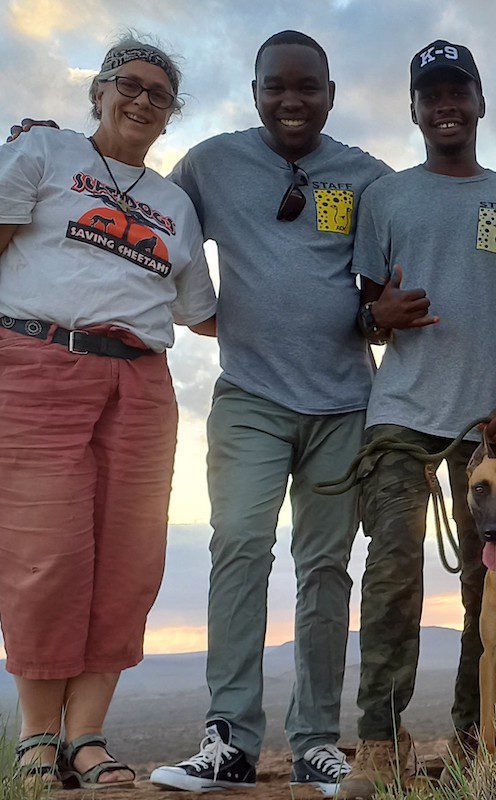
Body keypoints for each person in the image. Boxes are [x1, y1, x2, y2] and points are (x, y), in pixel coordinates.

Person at [145, 31, 392, 794]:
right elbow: (152, 214)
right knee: (240, 546)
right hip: (250, 396)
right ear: (254, 92)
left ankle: (316, 740)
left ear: (330, 94)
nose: (292, 100)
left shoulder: (368, 176)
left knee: (326, 567)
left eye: (307, 87)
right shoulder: (212, 163)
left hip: (344, 404)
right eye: (275, 86)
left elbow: (401, 262)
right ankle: (229, 739)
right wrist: (64, 155)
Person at [0, 35, 217, 789]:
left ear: (171, 114)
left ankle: (87, 738)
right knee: (45, 555)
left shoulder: (174, 205)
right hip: (37, 361)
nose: (142, 100)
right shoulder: (43, 153)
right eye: (129, 83)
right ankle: (36, 740)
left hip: (141, 383)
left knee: (129, 563)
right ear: (98, 91)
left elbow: (202, 314)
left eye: (160, 93)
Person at [337, 40, 496, 796]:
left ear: (481, 102)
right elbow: (367, 312)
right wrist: (378, 317)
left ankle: (474, 744)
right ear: (415, 110)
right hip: (400, 416)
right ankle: (380, 746)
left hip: (491, 424)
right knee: (393, 571)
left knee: (493, 588)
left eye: (459, 91)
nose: (446, 106)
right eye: (432, 95)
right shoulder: (386, 197)